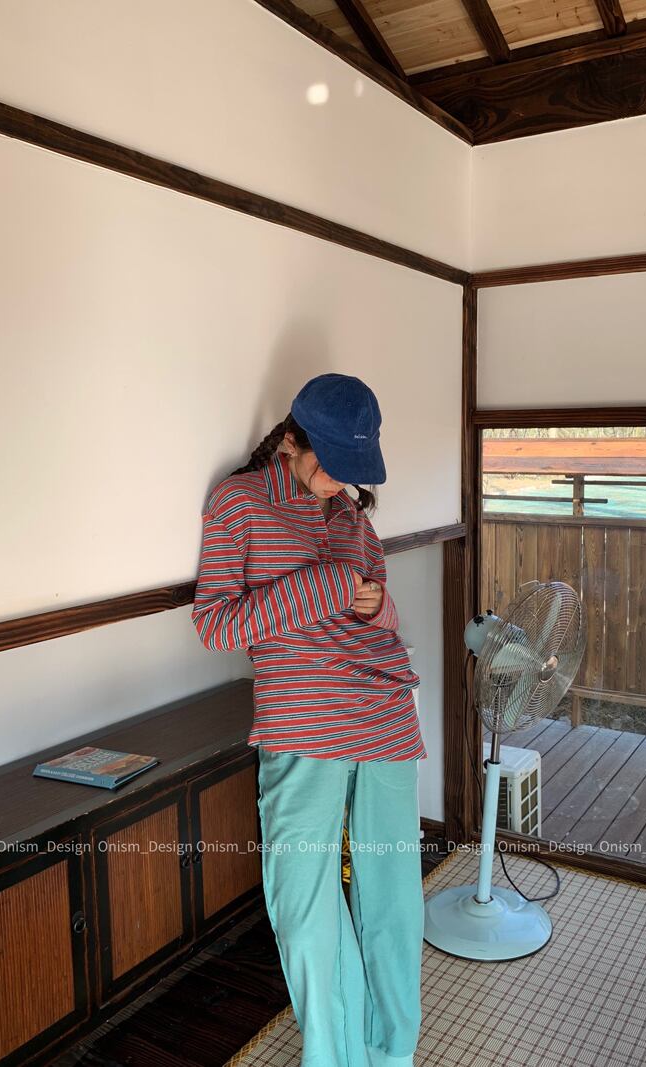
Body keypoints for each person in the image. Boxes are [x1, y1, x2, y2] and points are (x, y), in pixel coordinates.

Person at [191, 373, 428, 1067]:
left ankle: (392, 1054)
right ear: (292, 440)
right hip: (302, 724)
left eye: (354, 470)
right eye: (333, 465)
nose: (342, 484)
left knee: (393, 898)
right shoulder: (238, 503)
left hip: (385, 713)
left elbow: (383, 611)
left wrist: (375, 605)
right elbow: (214, 624)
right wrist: (323, 587)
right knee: (303, 907)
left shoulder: (354, 518)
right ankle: (335, 1056)